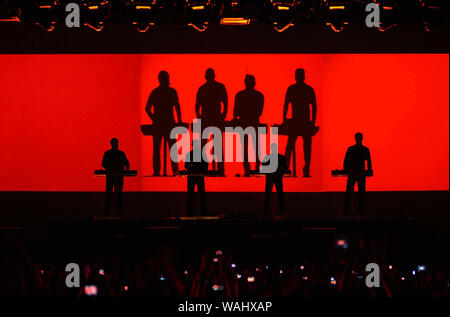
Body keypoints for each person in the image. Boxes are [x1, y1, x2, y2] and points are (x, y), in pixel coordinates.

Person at [146, 70, 182, 176]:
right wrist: (179, 120)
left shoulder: (155, 92)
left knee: (157, 149)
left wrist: (154, 118)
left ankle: (157, 171)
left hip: (159, 124)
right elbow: (177, 107)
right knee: (172, 149)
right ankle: (175, 170)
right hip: (169, 123)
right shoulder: (172, 92)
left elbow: (147, 108)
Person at [283, 68, 317, 177]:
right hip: (305, 122)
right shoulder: (308, 89)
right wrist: (312, 122)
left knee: (291, 145)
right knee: (306, 146)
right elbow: (314, 107)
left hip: (296, 122)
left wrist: (284, 120)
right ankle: (305, 169)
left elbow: (285, 106)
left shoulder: (292, 89)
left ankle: (287, 168)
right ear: (304, 77)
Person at [195, 68, 228, 175]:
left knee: (204, 145)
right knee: (216, 145)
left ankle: (204, 169)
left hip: (207, 118)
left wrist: (199, 117)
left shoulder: (202, 88)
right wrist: (223, 115)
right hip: (215, 118)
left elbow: (197, 106)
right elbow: (226, 103)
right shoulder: (219, 87)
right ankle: (220, 169)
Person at [233, 74, 264, 176]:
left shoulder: (239, 95)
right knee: (256, 147)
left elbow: (235, 112)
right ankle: (257, 169)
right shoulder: (259, 96)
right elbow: (260, 112)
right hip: (254, 123)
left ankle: (247, 169)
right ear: (254, 83)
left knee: (244, 147)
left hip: (243, 124)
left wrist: (238, 118)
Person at [342, 132, 373, 216]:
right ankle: (347, 211)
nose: (358, 140)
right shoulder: (354, 149)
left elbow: (369, 162)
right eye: (357, 138)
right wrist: (346, 169)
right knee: (350, 192)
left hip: (359, 173)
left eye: (359, 138)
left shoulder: (362, 149)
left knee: (360, 193)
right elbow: (345, 161)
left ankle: (359, 211)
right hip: (354, 173)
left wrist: (369, 169)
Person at [102, 138, 130, 217]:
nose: (117, 144)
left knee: (110, 195)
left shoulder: (108, 153)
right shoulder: (121, 153)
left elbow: (103, 164)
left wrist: (110, 168)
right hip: (118, 176)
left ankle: (109, 213)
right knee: (117, 195)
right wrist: (126, 168)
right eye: (117, 143)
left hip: (111, 176)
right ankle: (118, 213)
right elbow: (127, 163)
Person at [263, 143, 288, 217]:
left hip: (272, 177)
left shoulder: (267, 157)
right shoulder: (281, 157)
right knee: (279, 194)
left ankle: (267, 211)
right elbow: (285, 168)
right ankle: (281, 210)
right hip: (276, 177)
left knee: (270, 195)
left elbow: (264, 168)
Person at [185, 140, 209, 216]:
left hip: (196, 176)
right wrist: (199, 168)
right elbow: (186, 165)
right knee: (194, 194)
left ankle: (192, 212)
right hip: (196, 176)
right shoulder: (200, 154)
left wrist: (194, 167)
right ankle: (198, 211)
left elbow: (186, 166)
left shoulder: (190, 154)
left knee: (196, 195)